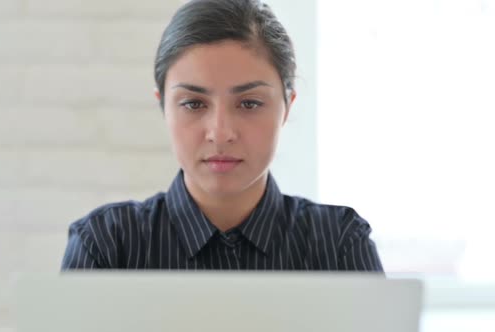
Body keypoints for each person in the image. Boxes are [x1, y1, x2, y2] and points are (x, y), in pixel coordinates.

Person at [61, 0, 383, 271]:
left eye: (249, 103)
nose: (220, 133)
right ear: (164, 108)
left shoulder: (340, 245)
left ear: (286, 107)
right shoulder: (105, 247)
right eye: (193, 104)